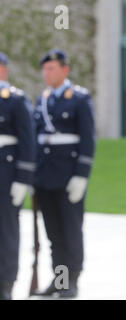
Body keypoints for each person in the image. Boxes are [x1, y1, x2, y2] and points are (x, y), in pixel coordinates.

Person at [32, 49, 95, 298]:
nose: (46, 73)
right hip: (45, 177)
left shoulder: (78, 98)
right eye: (44, 69)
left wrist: (82, 174)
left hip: (69, 176)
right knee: (53, 233)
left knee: (70, 230)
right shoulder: (43, 99)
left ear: (64, 70)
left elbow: (88, 139)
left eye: (51, 68)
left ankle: (73, 280)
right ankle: (59, 279)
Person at [0, 52, 36, 300]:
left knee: (6, 232)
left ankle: (5, 283)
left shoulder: (14, 99)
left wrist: (23, 179)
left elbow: (27, 141)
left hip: (6, 174)